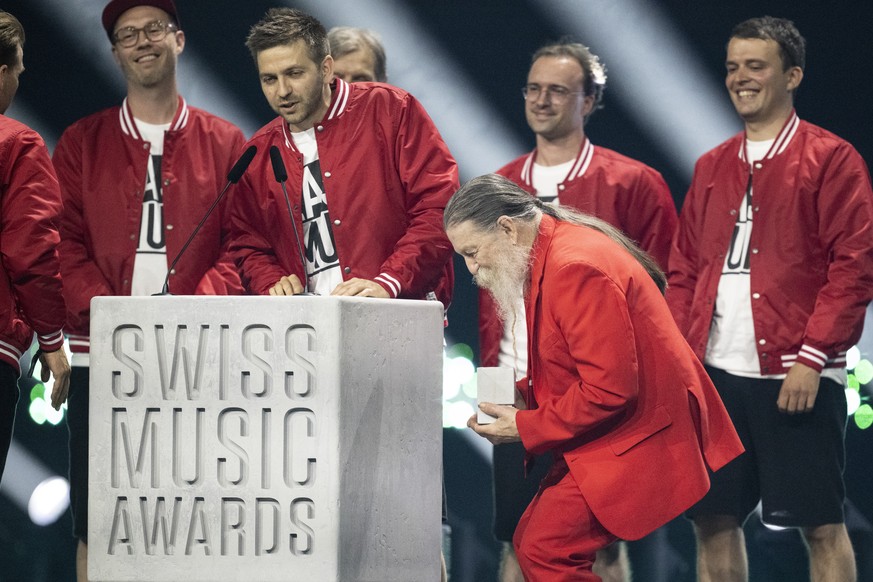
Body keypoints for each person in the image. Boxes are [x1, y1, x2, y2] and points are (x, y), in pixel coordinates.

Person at [230, 7, 456, 579]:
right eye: (268, 78)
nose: (281, 91)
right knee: (320, 519)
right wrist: (267, 280)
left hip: (397, 333)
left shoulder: (392, 110)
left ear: (328, 66)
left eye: (294, 74)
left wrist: (387, 282)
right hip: (307, 352)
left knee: (407, 518)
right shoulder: (259, 152)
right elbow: (245, 243)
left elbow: (438, 208)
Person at [446, 173, 743, 581]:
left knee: (545, 548)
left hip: (643, 433)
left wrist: (524, 425)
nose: (472, 268)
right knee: (535, 542)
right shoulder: (554, 250)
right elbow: (573, 364)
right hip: (625, 426)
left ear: (507, 228)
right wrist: (521, 396)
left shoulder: (573, 266)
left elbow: (609, 387)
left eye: (472, 252)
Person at [667, 16, 873, 582]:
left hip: (795, 372)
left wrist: (812, 358)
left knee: (822, 525)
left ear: (793, 75)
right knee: (712, 520)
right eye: (733, 66)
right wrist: (685, 362)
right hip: (716, 374)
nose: (740, 77)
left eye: (755, 66)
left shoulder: (832, 159)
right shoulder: (711, 165)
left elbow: (853, 269)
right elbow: (684, 269)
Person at [52, 1, 245, 579]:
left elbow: (244, 245)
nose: (142, 41)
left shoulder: (226, 141)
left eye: (153, 29)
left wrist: (194, 308)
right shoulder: (81, 144)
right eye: (127, 34)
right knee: (99, 520)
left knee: (196, 516)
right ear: (114, 53)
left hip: (199, 354)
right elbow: (60, 244)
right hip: (101, 354)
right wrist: (111, 314)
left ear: (179, 40)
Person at [486, 40, 678, 582]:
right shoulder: (499, 187)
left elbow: (663, 288)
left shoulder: (634, 184)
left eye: (558, 90)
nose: (541, 100)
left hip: (594, 395)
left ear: (589, 101)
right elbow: (486, 298)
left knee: (600, 542)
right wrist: (489, 380)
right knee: (514, 534)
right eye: (533, 88)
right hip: (514, 387)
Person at [0, 9, 70, 482]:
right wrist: (52, 342)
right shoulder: (18, 144)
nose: (20, 80)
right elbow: (31, 250)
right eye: (19, 71)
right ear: (1, 72)